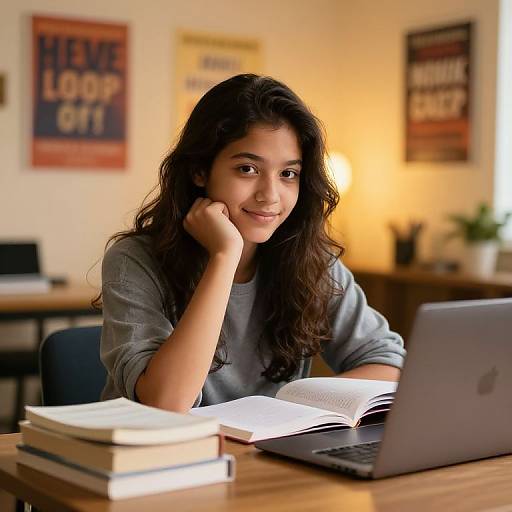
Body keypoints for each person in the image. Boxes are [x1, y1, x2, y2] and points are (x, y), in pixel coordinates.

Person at [99, 74, 405, 413]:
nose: (270, 196)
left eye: (288, 174)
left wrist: (289, 404)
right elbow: (167, 403)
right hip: (160, 457)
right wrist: (224, 256)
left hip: (264, 456)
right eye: (247, 169)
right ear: (200, 170)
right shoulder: (134, 261)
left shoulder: (310, 261)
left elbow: (390, 365)